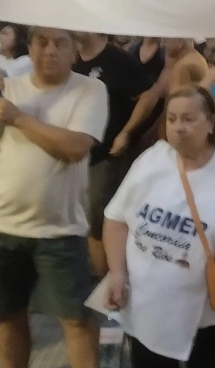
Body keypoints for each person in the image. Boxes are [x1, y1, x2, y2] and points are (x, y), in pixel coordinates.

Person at [0, 27, 109, 368]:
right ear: (31, 47)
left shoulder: (91, 90)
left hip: (59, 229)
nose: (49, 51)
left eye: (60, 43)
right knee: (8, 317)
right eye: (41, 42)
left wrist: (19, 117)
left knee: (77, 320)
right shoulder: (3, 88)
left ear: (75, 52)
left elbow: (75, 148)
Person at [101, 85, 215, 368]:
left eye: (188, 119)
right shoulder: (151, 159)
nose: (178, 128)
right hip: (152, 304)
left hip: (212, 307)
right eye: (171, 119)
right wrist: (117, 272)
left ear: (210, 122)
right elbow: (116, 218)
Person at [74, 31, 164, 279]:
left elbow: (149, 93)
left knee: (100, 214)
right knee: (83, 215)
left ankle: (107, 276)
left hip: (106, 152)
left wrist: (126, 132)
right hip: (77, 151)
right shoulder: (72, 58)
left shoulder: (115, 59)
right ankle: (97, 274)